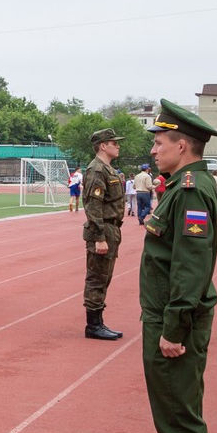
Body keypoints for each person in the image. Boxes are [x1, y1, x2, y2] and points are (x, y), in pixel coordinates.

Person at [135, 99, 217, 433]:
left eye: (160, 142)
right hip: (170, 316)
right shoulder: (184, 185)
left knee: (179, 418)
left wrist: (174, 329)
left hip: (175, 322)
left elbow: (190, 267)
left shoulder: (189, 190)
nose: (154, 150)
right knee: (174, 416)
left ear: (182, 145)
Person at [82, 129, 128, 341]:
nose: (117, 146)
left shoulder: (108, 169)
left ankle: (98, 322)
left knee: (105, 277)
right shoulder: (97, 170)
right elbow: (93, 205)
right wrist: (99, 236)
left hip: (111, 228)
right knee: (97, 278)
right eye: (113, 143)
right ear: (103, 146)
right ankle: (93, 326)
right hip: (102, 229)